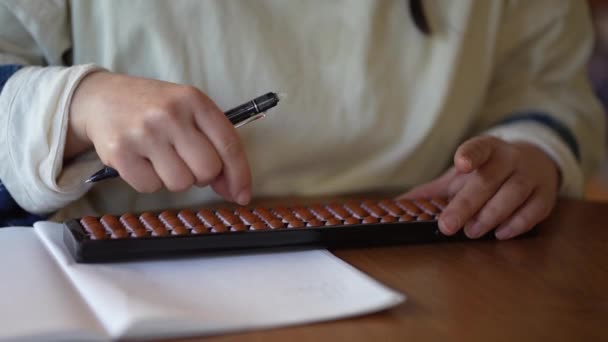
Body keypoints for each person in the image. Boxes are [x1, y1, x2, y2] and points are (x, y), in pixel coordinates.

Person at [0, 0, 604, 240]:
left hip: (436, 250)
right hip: (135, 267)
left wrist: (532, 152)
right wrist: (77, 105)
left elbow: (548, 85)